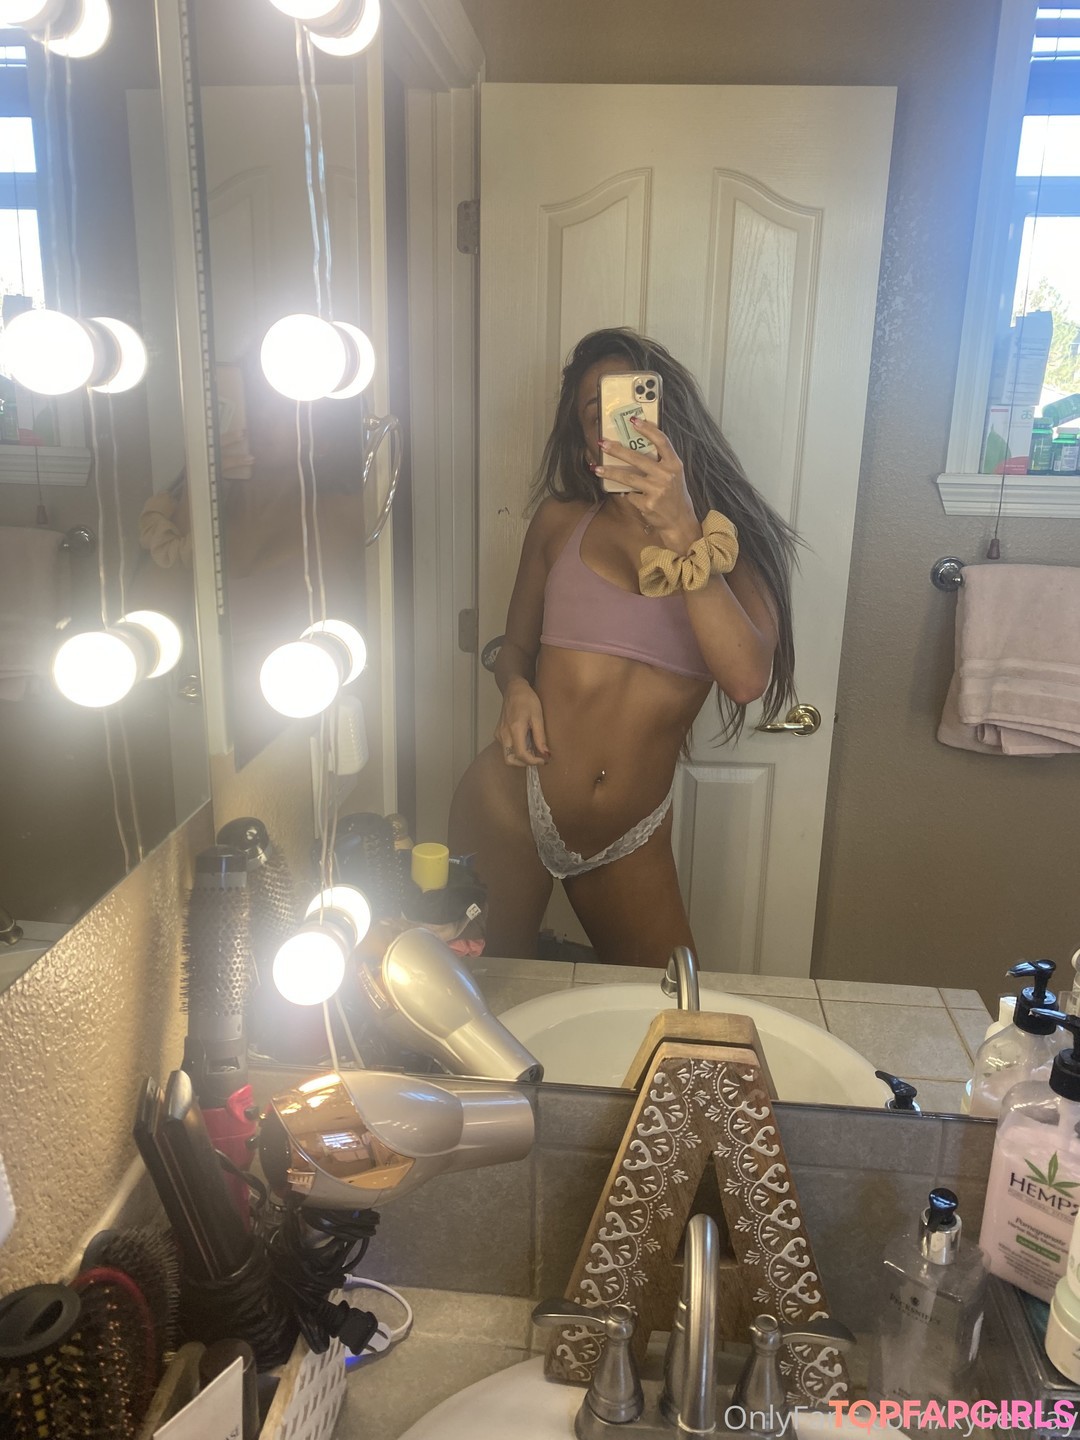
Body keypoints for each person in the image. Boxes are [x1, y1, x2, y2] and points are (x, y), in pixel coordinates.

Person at [448, 328, 798, 967]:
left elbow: (747, 678)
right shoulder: (559, 522)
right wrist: (515, 688)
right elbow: (514, 648)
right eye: (599, 414)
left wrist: (681, 526)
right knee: (489, 995)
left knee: (672, 1008)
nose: (621, 426)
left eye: (636, 406)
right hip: (510, 803)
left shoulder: (731, 543)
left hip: (630, 837)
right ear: (586, 442)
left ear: (671, 417)